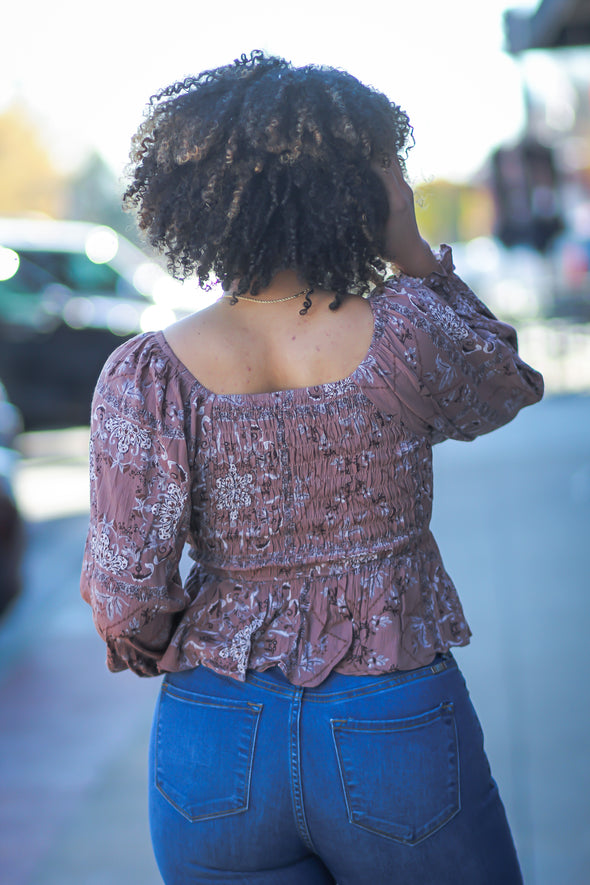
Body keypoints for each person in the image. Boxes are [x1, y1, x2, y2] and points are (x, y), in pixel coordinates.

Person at [81, 51, 543, 885]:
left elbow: (127, 595)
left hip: (213, 734)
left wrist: (181, 649)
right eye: (385, 170)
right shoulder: (406, 330)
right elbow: (501, 386)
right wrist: (416, 256)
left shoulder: (147, 373)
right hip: (391, 720)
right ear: (353, 194)